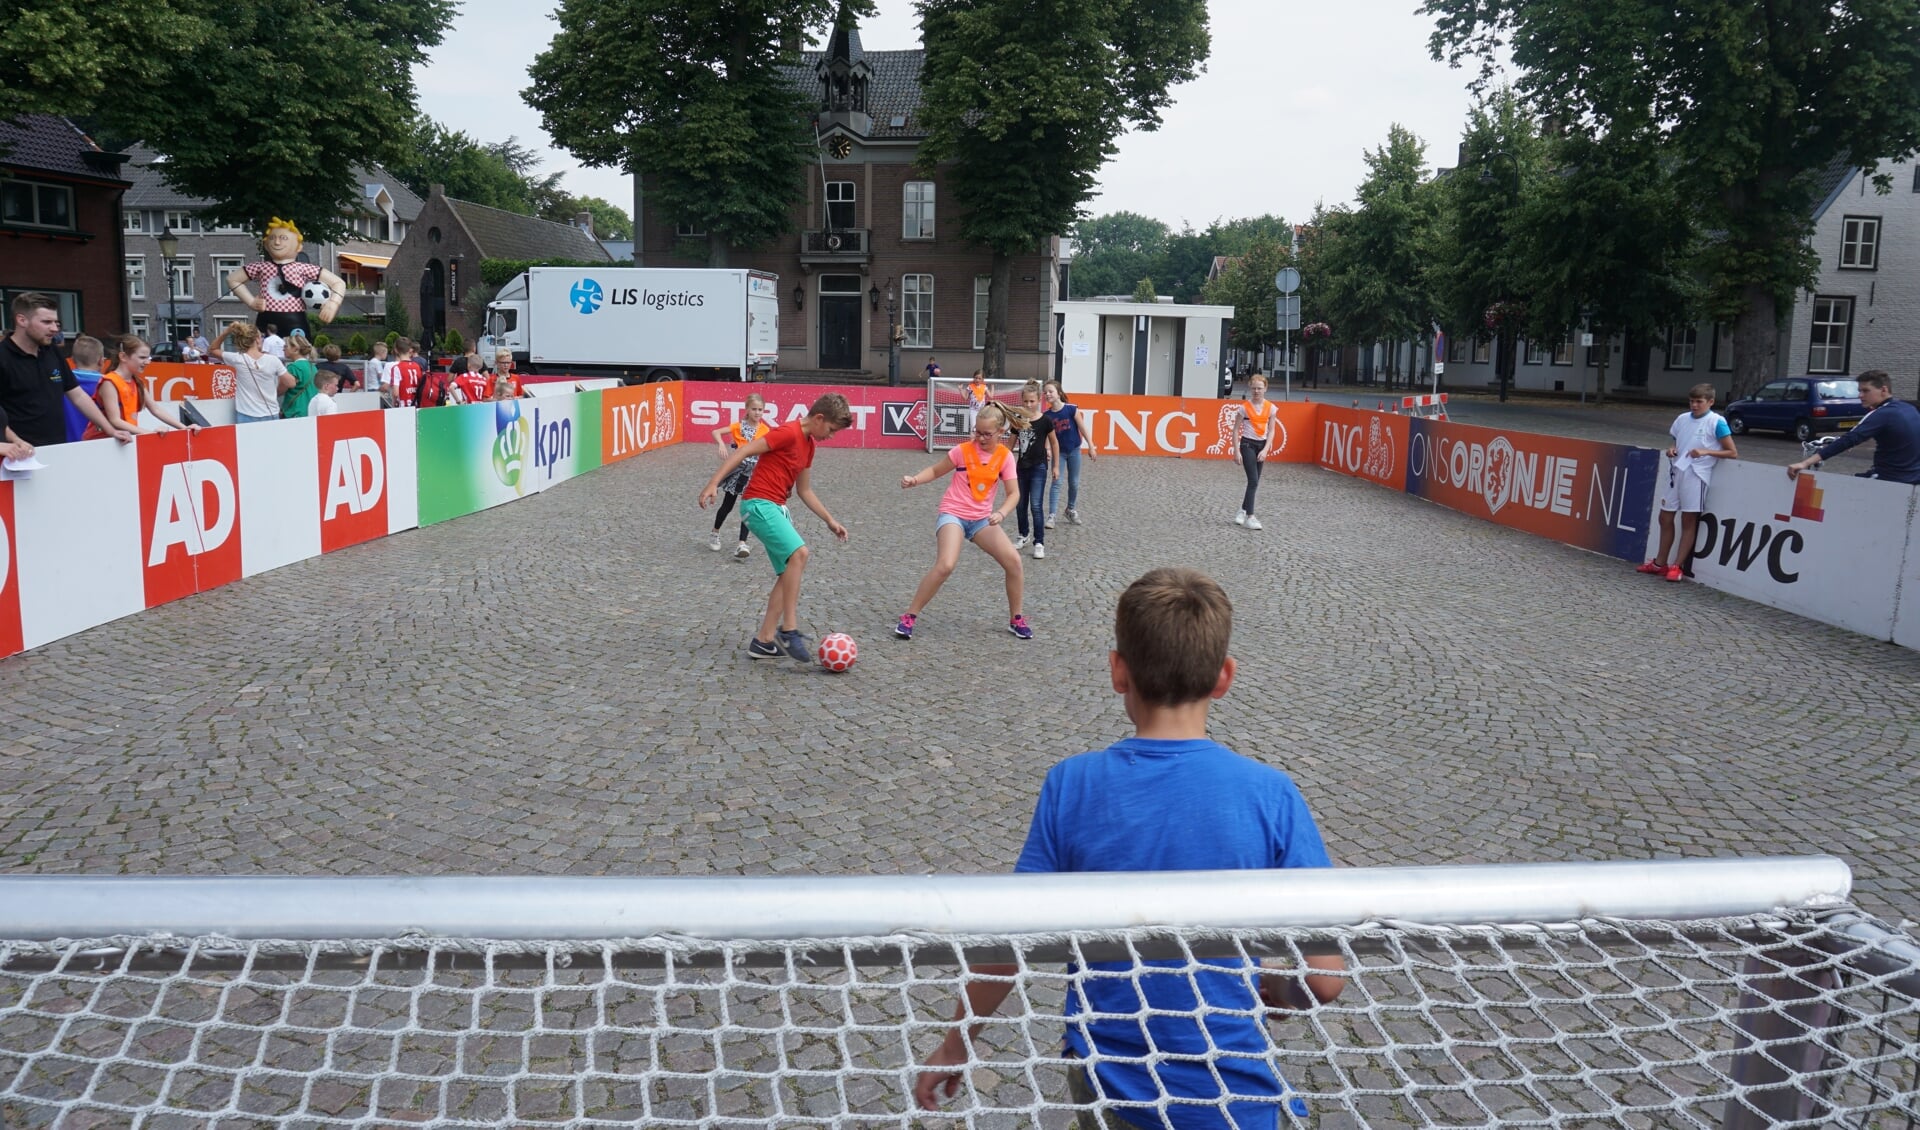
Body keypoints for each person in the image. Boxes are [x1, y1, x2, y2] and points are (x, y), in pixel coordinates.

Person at [914, 567, 1343, 1130]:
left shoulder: (1073, 785)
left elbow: (1009, 941)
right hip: (1236, 1097)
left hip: (1114, 1084)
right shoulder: (1272, 795)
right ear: (1224, 677)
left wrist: (956, 1040)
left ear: (1119, 671)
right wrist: (1276, 990)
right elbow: (1325, 980)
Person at [698, 393, 853, 662]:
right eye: (830, 430)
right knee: (800, 554)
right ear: (818, 419)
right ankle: (789, 630)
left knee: (789, 573)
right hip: (758, 504)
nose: (831, 436)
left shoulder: (809, 445)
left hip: (776, 507)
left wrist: (830, 520)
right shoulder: (788, 433)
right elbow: (745, 450)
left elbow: (804, 490)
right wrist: (713, 483)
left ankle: (764, 641)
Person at [894, 402, 1033, 641]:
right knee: (946, 564)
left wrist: (1001, 513)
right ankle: (909, 616)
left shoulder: (1005, 457)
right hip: (953, 514)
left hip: (982, 520)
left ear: (1001, 432)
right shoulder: (962, 451)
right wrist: (915, 480)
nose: (979, 438)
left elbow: (1014, 494)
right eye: (977, 431)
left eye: (986, 434)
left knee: (1014, 562)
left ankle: (1016, 618)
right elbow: (936, 471)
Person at [0, 292, 132, 446]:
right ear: (21, 320)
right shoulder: (3, 357)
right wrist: (13, 441)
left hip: (57, 447)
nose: (55, 328)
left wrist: (110, 430)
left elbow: (78, 396)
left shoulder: (52, 351)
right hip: (17, 454)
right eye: (46, 322)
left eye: (56, 322)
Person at [1640, 382, 1738, 581]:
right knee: (1665, 517)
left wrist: (1706, 451)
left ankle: (1677, 565)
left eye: (1699, 402)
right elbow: (1677, 441)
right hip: (1677, 471)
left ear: (1710, 402)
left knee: (1688, 520)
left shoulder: (1716, 422)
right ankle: (1660, 563)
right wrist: (1672, 449)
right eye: (1692, 401)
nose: (1694, 405)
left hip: (1697, 474)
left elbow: (1732, 452)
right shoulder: (1682, 419)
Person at [1787, 370, 1920, 485]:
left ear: (1884, 390)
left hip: (1889, 479)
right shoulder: (1908, 408)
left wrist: (1804, 463)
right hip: (1913, 477)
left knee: (1837, 491)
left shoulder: (1882, 414)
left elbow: (1849, 439)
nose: (1860, 395)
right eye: (1859, 391)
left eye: (1866, 391)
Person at [85, 335, 195, 438]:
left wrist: (184, 428)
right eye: (142, 357)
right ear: (123, 357)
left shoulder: (137, 382)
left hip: (123, 440)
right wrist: (149, 434)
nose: (147, 362)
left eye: (148, 358)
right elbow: (115, 420)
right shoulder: (109, 382)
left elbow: (156, 409)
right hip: (101, 441)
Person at [709, 393, 770, 556]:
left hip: (753, 473)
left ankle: (742, 543)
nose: (757, 413)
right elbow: (716, 431)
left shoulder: (765, 430)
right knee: (727, 505)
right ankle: (715, 533)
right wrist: (721, 444)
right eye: (754, 409)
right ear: (747, 410)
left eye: (760, 410)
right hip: (737, 471)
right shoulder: (739, 426)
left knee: (749, 507)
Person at [210, 321, 293, 425]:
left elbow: (213, 349)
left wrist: (226, 332)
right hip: (270, 412)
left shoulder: (237, 358)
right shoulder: (273, 360)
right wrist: (277, 391)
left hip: (246, 414)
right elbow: (290, 383)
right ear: (257, 339)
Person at [1010, 381, 1058, 558]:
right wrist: (1000, 466)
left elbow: (1054, 442)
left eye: (1032, 401)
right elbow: (1009, 446)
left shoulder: (1045, 421)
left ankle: (1039, 542)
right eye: (1025, 402)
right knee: (1020, 504)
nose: (1028, 405)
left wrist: (1056, 466)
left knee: (1036, 505)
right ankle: (1023, 534)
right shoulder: (1018, 419)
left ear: (1039, 400)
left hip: (1038, 467)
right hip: (1021, 468)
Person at [1230, 373, 1282, 530]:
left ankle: (1242, 510)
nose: (1257, 391)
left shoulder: (1271, 408)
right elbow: (1236, 429)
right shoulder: (1244, 408)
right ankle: (1250, 517)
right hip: (1247, 445)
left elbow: (1272, 430)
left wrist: (1266, 449)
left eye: (1259, 388)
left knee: (1255, 481)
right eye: (1254, 388)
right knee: (1253, 480)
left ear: (1265, 388)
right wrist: (1236, 451)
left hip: (1261, 445)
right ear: (1250, 389)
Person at [1043, 380, 1097, 527]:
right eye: (1045, 392)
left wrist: (1091, 446)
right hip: (1058, 453)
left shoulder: (1071, 409)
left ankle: (1070, 509)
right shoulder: (1046, 415)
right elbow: (1048, 435)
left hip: (1074, 450)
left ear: (1059, 393)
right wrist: (1047, 449)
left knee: (1074, 482)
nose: (1047, 394)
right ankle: (1052, 515)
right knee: (1056, 482)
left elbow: (1083, 428)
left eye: (1050, 391)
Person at [61, 334, 106, 442]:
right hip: (99, 445)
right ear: (101, 361)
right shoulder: (108, 384)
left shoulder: (60, 383)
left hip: (65, 445)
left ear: (72, 360)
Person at [280, 335, 319, 419]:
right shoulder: (313, 367)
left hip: (295, 411)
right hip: (310, 411)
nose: (283, 349)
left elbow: (281, 390)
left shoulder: (294, 368)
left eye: (286, 346)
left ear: (295, 349)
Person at [387, 339, 424, 407]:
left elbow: (395, 393)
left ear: (396, 350)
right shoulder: (417, 366)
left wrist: (394, 402)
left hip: (404, 405)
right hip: (417, 403)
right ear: (410, 350)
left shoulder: (396, 368)